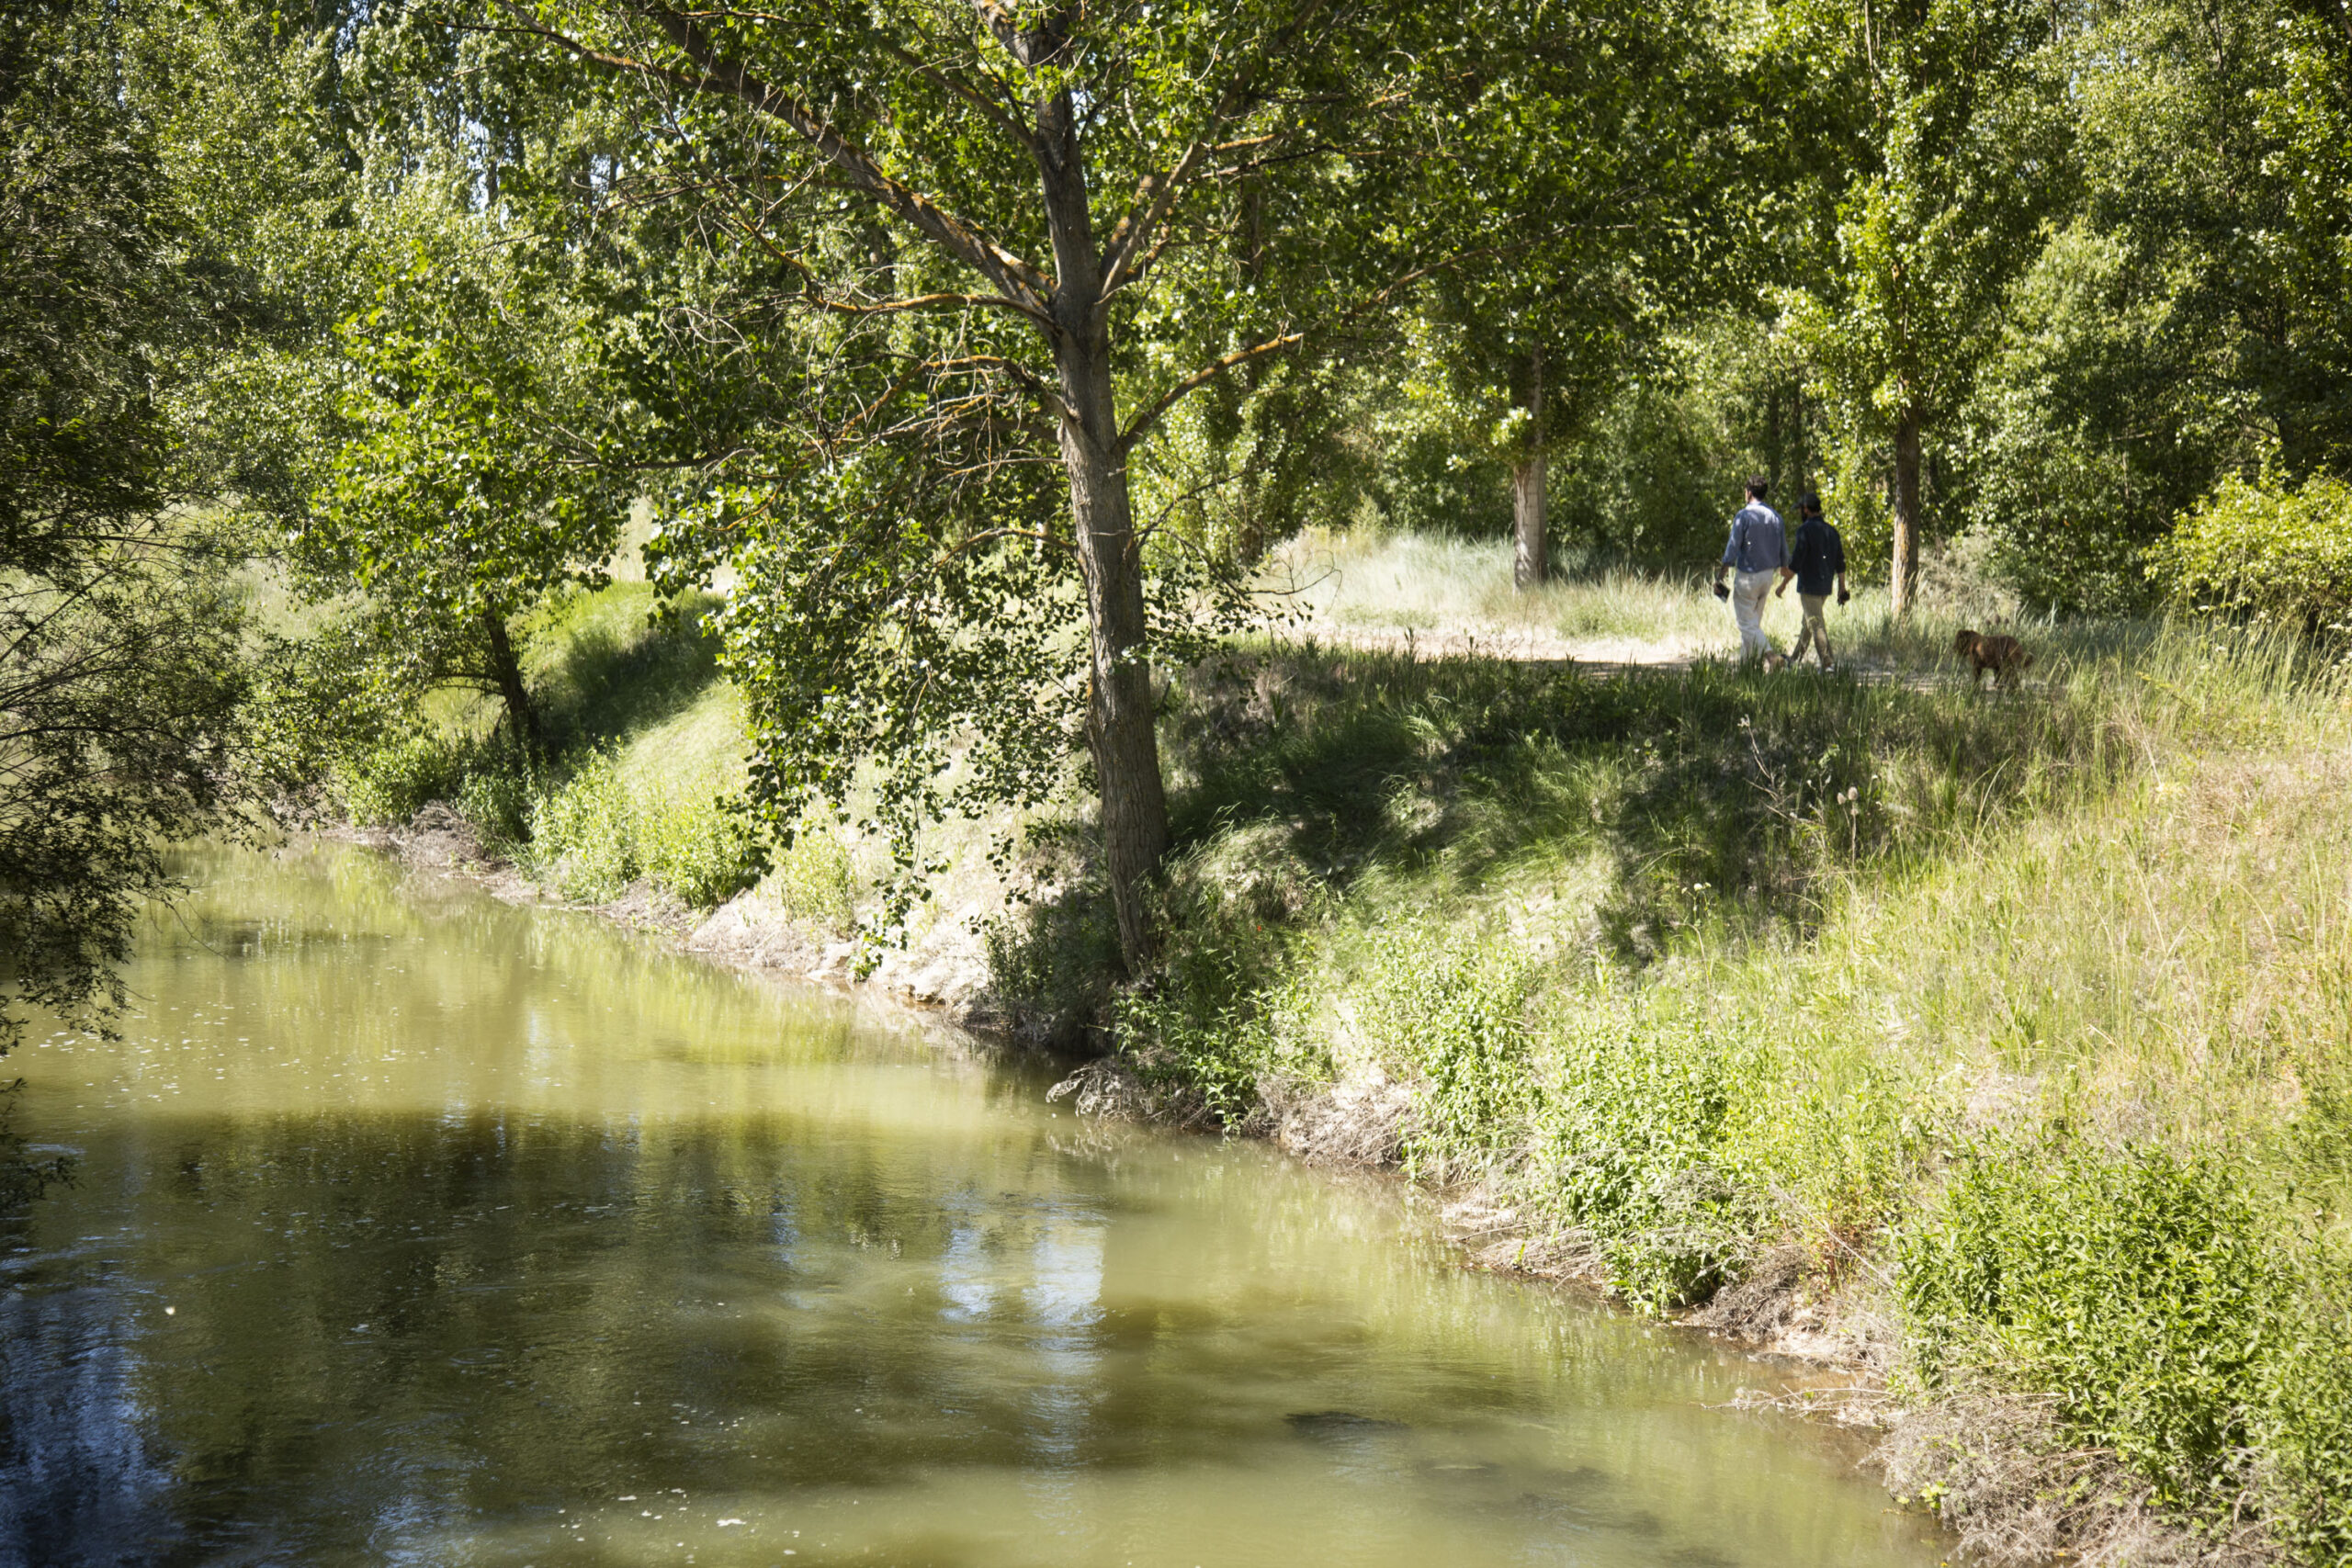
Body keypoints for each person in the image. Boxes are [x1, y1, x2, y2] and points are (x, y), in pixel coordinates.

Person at [1712, 476, 1787, 662]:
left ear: (1749, 493)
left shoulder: (1743, 516)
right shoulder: (1776, 517)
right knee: (1753, 623)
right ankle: (1748, 668)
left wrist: (1721, 575)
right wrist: (1784, 575)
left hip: (1748, 576)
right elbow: (1784, 550)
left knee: (1746, 623)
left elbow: (1733, 547)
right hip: (1768, 576)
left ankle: (1771, 658)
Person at [1775, 493, 1848, 671]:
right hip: (1825, 587)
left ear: (1806, 510)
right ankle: (1794, 660)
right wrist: (1842, 588)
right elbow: (1840, 563)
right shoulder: (1832, 531)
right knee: (1808, 624)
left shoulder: (1804, 531)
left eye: (1801, 509)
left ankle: (1828, 663)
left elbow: (1796, 564)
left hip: (1809, 586)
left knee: (1816, 624)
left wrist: (1782, 585)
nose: (1800, 512)